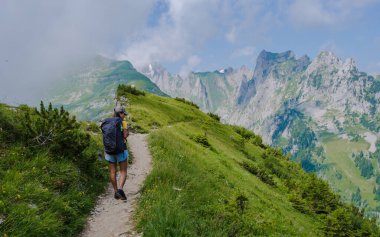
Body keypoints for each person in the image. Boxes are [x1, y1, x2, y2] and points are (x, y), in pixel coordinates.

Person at [104, 105, 129, 200]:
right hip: (121, 149)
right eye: (124, 114)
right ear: (121, 113)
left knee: (112, 172)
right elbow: (125, 136)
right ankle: (120, 189)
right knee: (123, 171)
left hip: (109, 151)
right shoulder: (123, 122)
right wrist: (126, 131)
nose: (124, 116)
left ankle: (115, 192)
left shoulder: (107, 122)